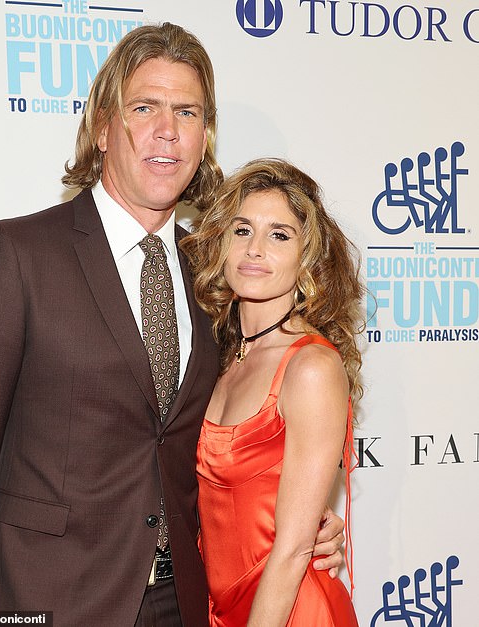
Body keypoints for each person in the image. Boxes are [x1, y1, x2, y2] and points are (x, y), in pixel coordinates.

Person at [0, 24, 344, 626]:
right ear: (102, 127)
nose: (167, 129)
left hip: (186, 605)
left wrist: (304, 521)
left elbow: (236, 436)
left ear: (205, 138)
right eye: (144, 107)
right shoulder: (15, 254)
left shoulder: (217, 275)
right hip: (50, 602)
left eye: (188, 112)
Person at [181, 158, 363, 626]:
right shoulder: (215, 354)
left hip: (288, 609)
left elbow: (294, 547)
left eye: (279, 235)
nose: (255, 249)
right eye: (242, 231)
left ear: (307, 257)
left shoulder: (310, 367)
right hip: (217, 607)